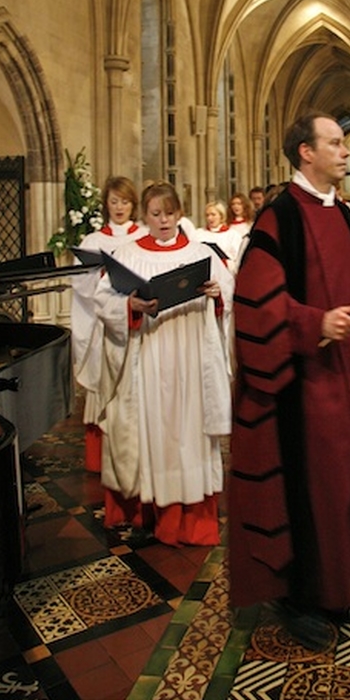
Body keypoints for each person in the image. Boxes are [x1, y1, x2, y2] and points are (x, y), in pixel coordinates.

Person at [228, 112, 350, 650]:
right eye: (334, 143)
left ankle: (335, 588)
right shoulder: (277, 218)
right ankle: (300, 596)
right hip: (306, 388)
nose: (346, 151)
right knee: (315, 489)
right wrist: (314, 323)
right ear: (305, 152)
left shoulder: (346, 214)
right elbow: (254, 305)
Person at [94, 180, 234, 546]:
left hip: (191, 362)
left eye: (170, 213)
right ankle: (150, 514)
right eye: (155, 214)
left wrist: (218, 296)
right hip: (149, 359)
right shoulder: (127, 254)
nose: (164, 220)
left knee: (187, 433)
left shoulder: (202, 252)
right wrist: (131, 306)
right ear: (145, 215)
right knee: (149, 430)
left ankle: (190, 522)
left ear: (180, 213)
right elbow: (103, 300)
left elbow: (230, 297)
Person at [70, 176, 144, 472]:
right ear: (106, 204)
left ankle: (136, 454)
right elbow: (80, 284)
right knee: (104, 388)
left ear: (133, 204)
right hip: (104, 326)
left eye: (124, 201)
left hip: (135, 324)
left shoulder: (143, 236)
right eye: (114, 201)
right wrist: (100, 277)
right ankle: (100, 458)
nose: (119, 207)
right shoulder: (94, 241)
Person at [195, 200, 244, 270]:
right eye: (207, 215)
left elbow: (238, 260)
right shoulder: (198, 233)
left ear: (221, 216)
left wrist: (225, 262)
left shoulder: (232, 235)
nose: (210, 218)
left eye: (213, 214)